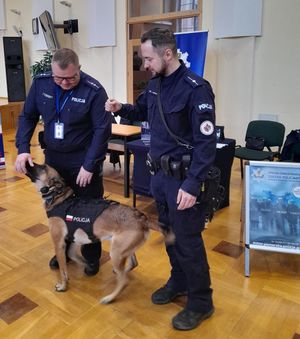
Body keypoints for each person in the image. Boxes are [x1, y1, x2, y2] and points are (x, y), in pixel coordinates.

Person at [105, 28, 216, 331]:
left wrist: (193, 185)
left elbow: (206, 145)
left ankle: (201, 301)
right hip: (160, 178)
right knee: (169, 236)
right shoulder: (154, 85)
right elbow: (141, 110)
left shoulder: (197, 89)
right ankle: (178, 281)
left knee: (188, 242)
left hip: (183, 182)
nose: (145, 65)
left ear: (168, 54)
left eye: (148, 58)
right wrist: (121, 108)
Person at [15, 48, 111, 276]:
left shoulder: (94, 90)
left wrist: (89, 164)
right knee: (58, 208)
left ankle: (91, 256)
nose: (64, 83)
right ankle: (64, 250)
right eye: (59, 78)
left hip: (83, 158)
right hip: (54, 158)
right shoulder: (41, 84)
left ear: (78, 69)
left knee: (89, 208)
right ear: (52, 72)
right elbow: (27, 116)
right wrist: (22, 150)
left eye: (70, 77)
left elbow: (102, 130)